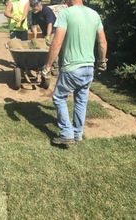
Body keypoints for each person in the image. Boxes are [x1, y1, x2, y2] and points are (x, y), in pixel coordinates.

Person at [42, 0, 107, 145]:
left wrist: (47, 66)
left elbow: (57, 43)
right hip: (88, 68)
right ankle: (78, 133)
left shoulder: (65, 13)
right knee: (81, 100)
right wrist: (102, 61)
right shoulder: (94, 14)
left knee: (59, 97)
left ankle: (66, 133)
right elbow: (102, 42)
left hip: (72, 67)